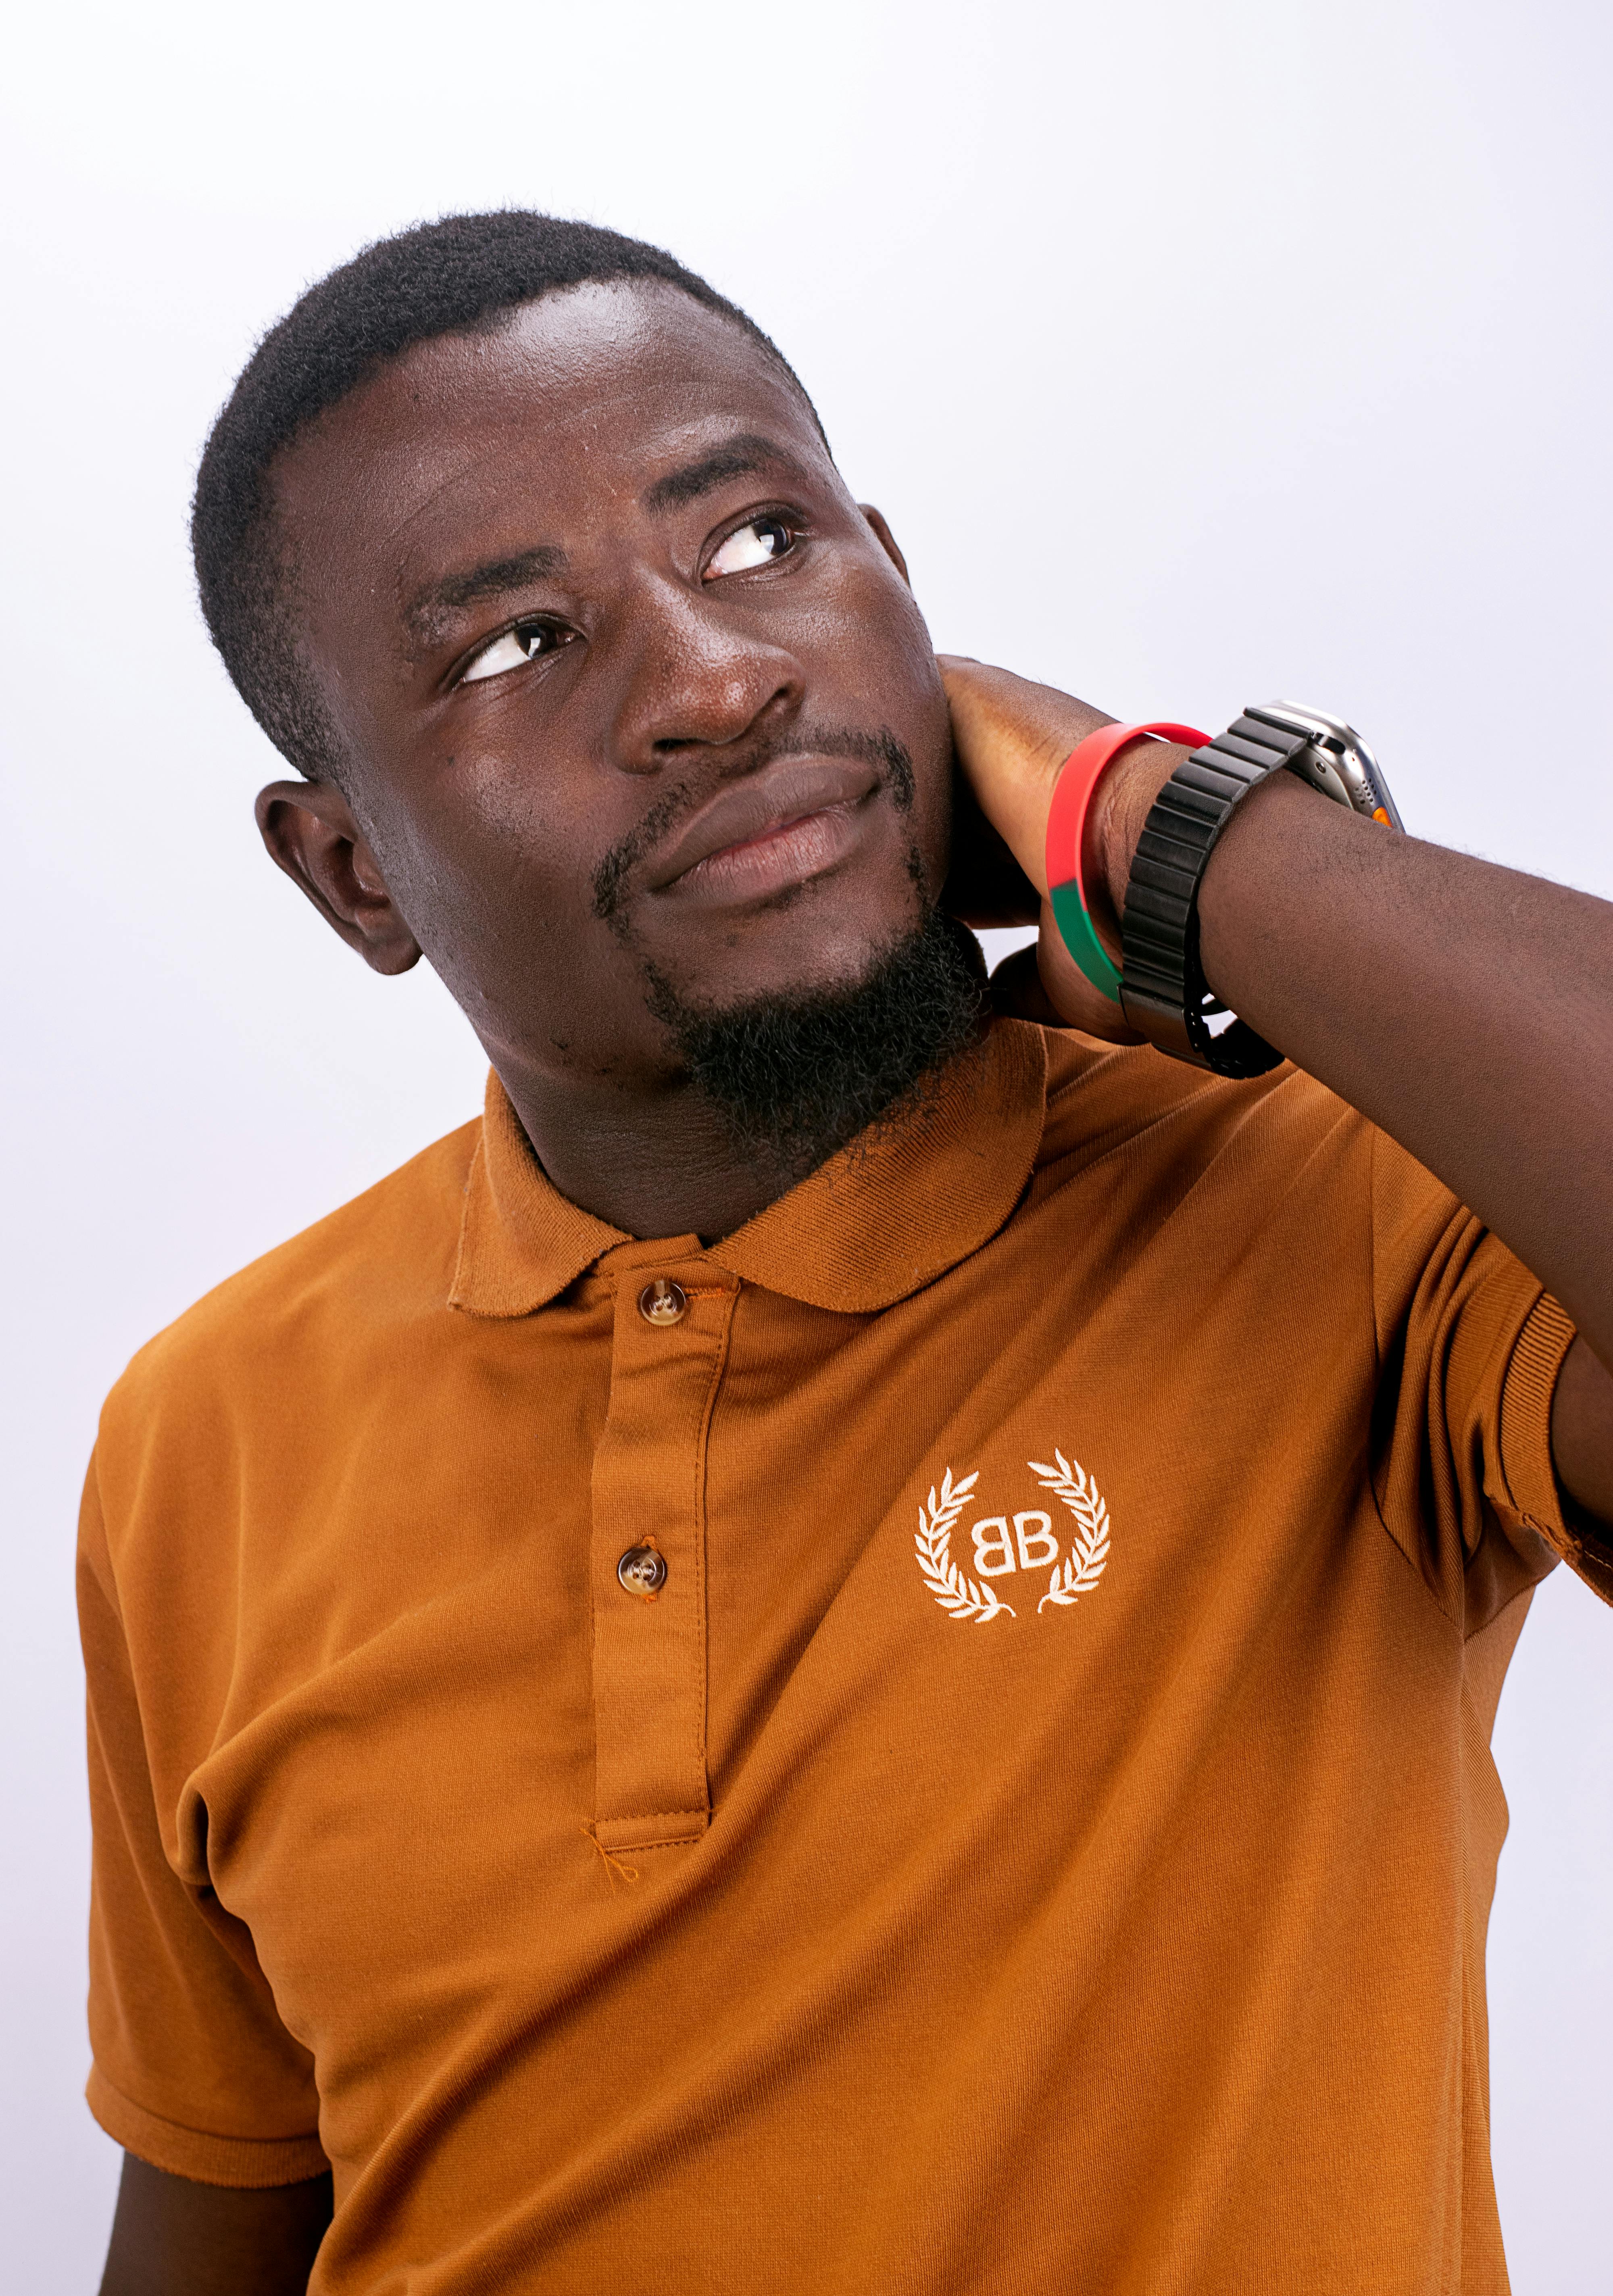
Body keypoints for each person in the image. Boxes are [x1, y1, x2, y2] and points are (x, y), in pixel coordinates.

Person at [83, 211, 1612, 2296]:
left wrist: (1162, 828)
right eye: (520, 644)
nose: (716, 679)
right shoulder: (207, 1430)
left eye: (759, 544)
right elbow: (216, 2220)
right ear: (351, 870)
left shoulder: (1328, 1205)